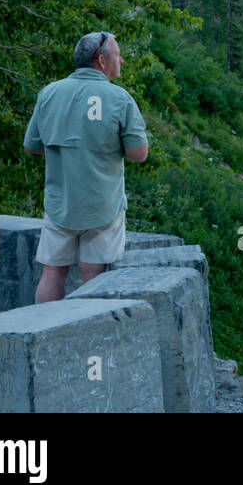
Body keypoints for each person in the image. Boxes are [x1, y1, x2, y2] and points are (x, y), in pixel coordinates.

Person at [24, 31, 149, 303]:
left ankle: (43, 333)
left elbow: (31, 145)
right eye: (117, 55)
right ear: (101, 61)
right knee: (94, 276)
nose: (122, 60)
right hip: (102, 205)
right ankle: (86, 337)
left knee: (52, 272)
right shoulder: (120, 99)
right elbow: (139, 154)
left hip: (60, 201)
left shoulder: (49, 93)